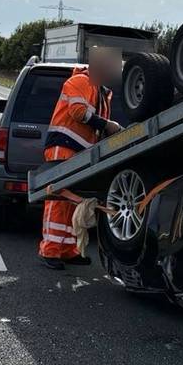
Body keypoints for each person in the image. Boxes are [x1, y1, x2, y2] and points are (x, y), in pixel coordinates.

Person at [39, 46, 122, 269]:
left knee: (71, 202)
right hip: (63, 147)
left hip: (78, 152)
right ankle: (50, 250)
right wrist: (107, 125)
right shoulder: (82, 82)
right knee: (58, 200)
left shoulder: (102, 91)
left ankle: (67, 250)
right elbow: (78, 112)